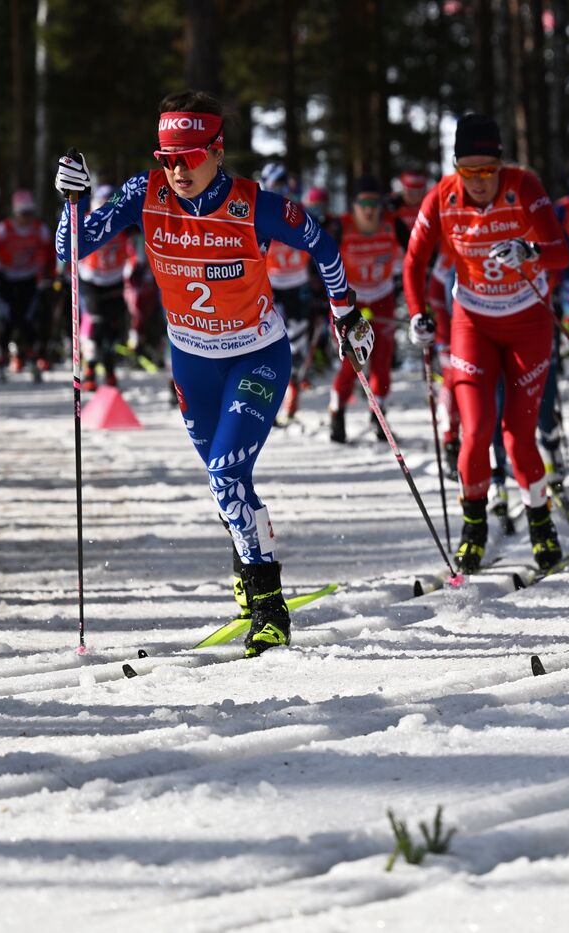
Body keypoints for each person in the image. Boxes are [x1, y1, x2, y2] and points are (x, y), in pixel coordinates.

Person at [54, 90, 371, 657]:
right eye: (167, 158)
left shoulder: (254, 204)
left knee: (225, 475)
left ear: (217, 151)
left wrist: (345, 310)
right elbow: (69, 249)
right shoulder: (144, 193)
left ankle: (267, 605)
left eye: (189, 157)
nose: (176, 170)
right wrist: (72, 201)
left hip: (256, 355)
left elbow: (321, 241)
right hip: (192, 363)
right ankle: (248, 557)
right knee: (230, 482)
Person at [402, 112, 569, 574]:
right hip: (472, 323)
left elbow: (560, 251)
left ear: (501, 165)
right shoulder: (442, 197)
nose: (478, 182)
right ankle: (473, 530)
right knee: (475, 433)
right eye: (468, 172)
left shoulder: (523, 186)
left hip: (528, 324)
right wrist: (418, 311)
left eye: (487, 171)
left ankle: (541, 526)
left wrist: (530, 250)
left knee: (518, 437)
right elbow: (414, 263)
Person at [329, 176, 403, 443]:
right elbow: (319, 257)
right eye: (363, 203)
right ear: (354, 205)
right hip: (350, 302)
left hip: (382, 296)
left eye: (374, 203)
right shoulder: (342, 226)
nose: (369, 209)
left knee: (382, 360)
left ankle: (378, 415)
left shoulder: (392, 225)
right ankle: (337, 412)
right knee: (352, 362)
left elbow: (419, 252)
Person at [258, 163, 318, 423]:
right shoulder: (260, 212)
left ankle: (292, 389)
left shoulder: (298, 211)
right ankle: (268, 399)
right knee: (271, 344)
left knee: (299, 343)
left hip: (300, 284)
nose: (283, 190)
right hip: (272, 287)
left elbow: (319, 242)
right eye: (276, 184)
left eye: (285, 184)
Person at [0, 190, 54, 380]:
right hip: (6, 278)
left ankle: (32, 359)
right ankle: (1, 359)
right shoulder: (5, 228)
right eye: (23, 213)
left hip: (28, 279)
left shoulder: (40, 229)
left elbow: (51, 255)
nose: (26, 218)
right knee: (8, 320)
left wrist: (50, 275)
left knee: (27, 320)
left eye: (29, 213)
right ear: (15, 212)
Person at [76, 185, 137, 388]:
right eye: (101, 206)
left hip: (114, 279)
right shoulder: (86, 220)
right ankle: (90, 368)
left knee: (113, 326)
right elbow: (69, 243)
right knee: (96, 321)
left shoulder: (122, 224)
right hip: (90, 279)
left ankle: (109, 371)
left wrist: (133, 268)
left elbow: (134, 251)